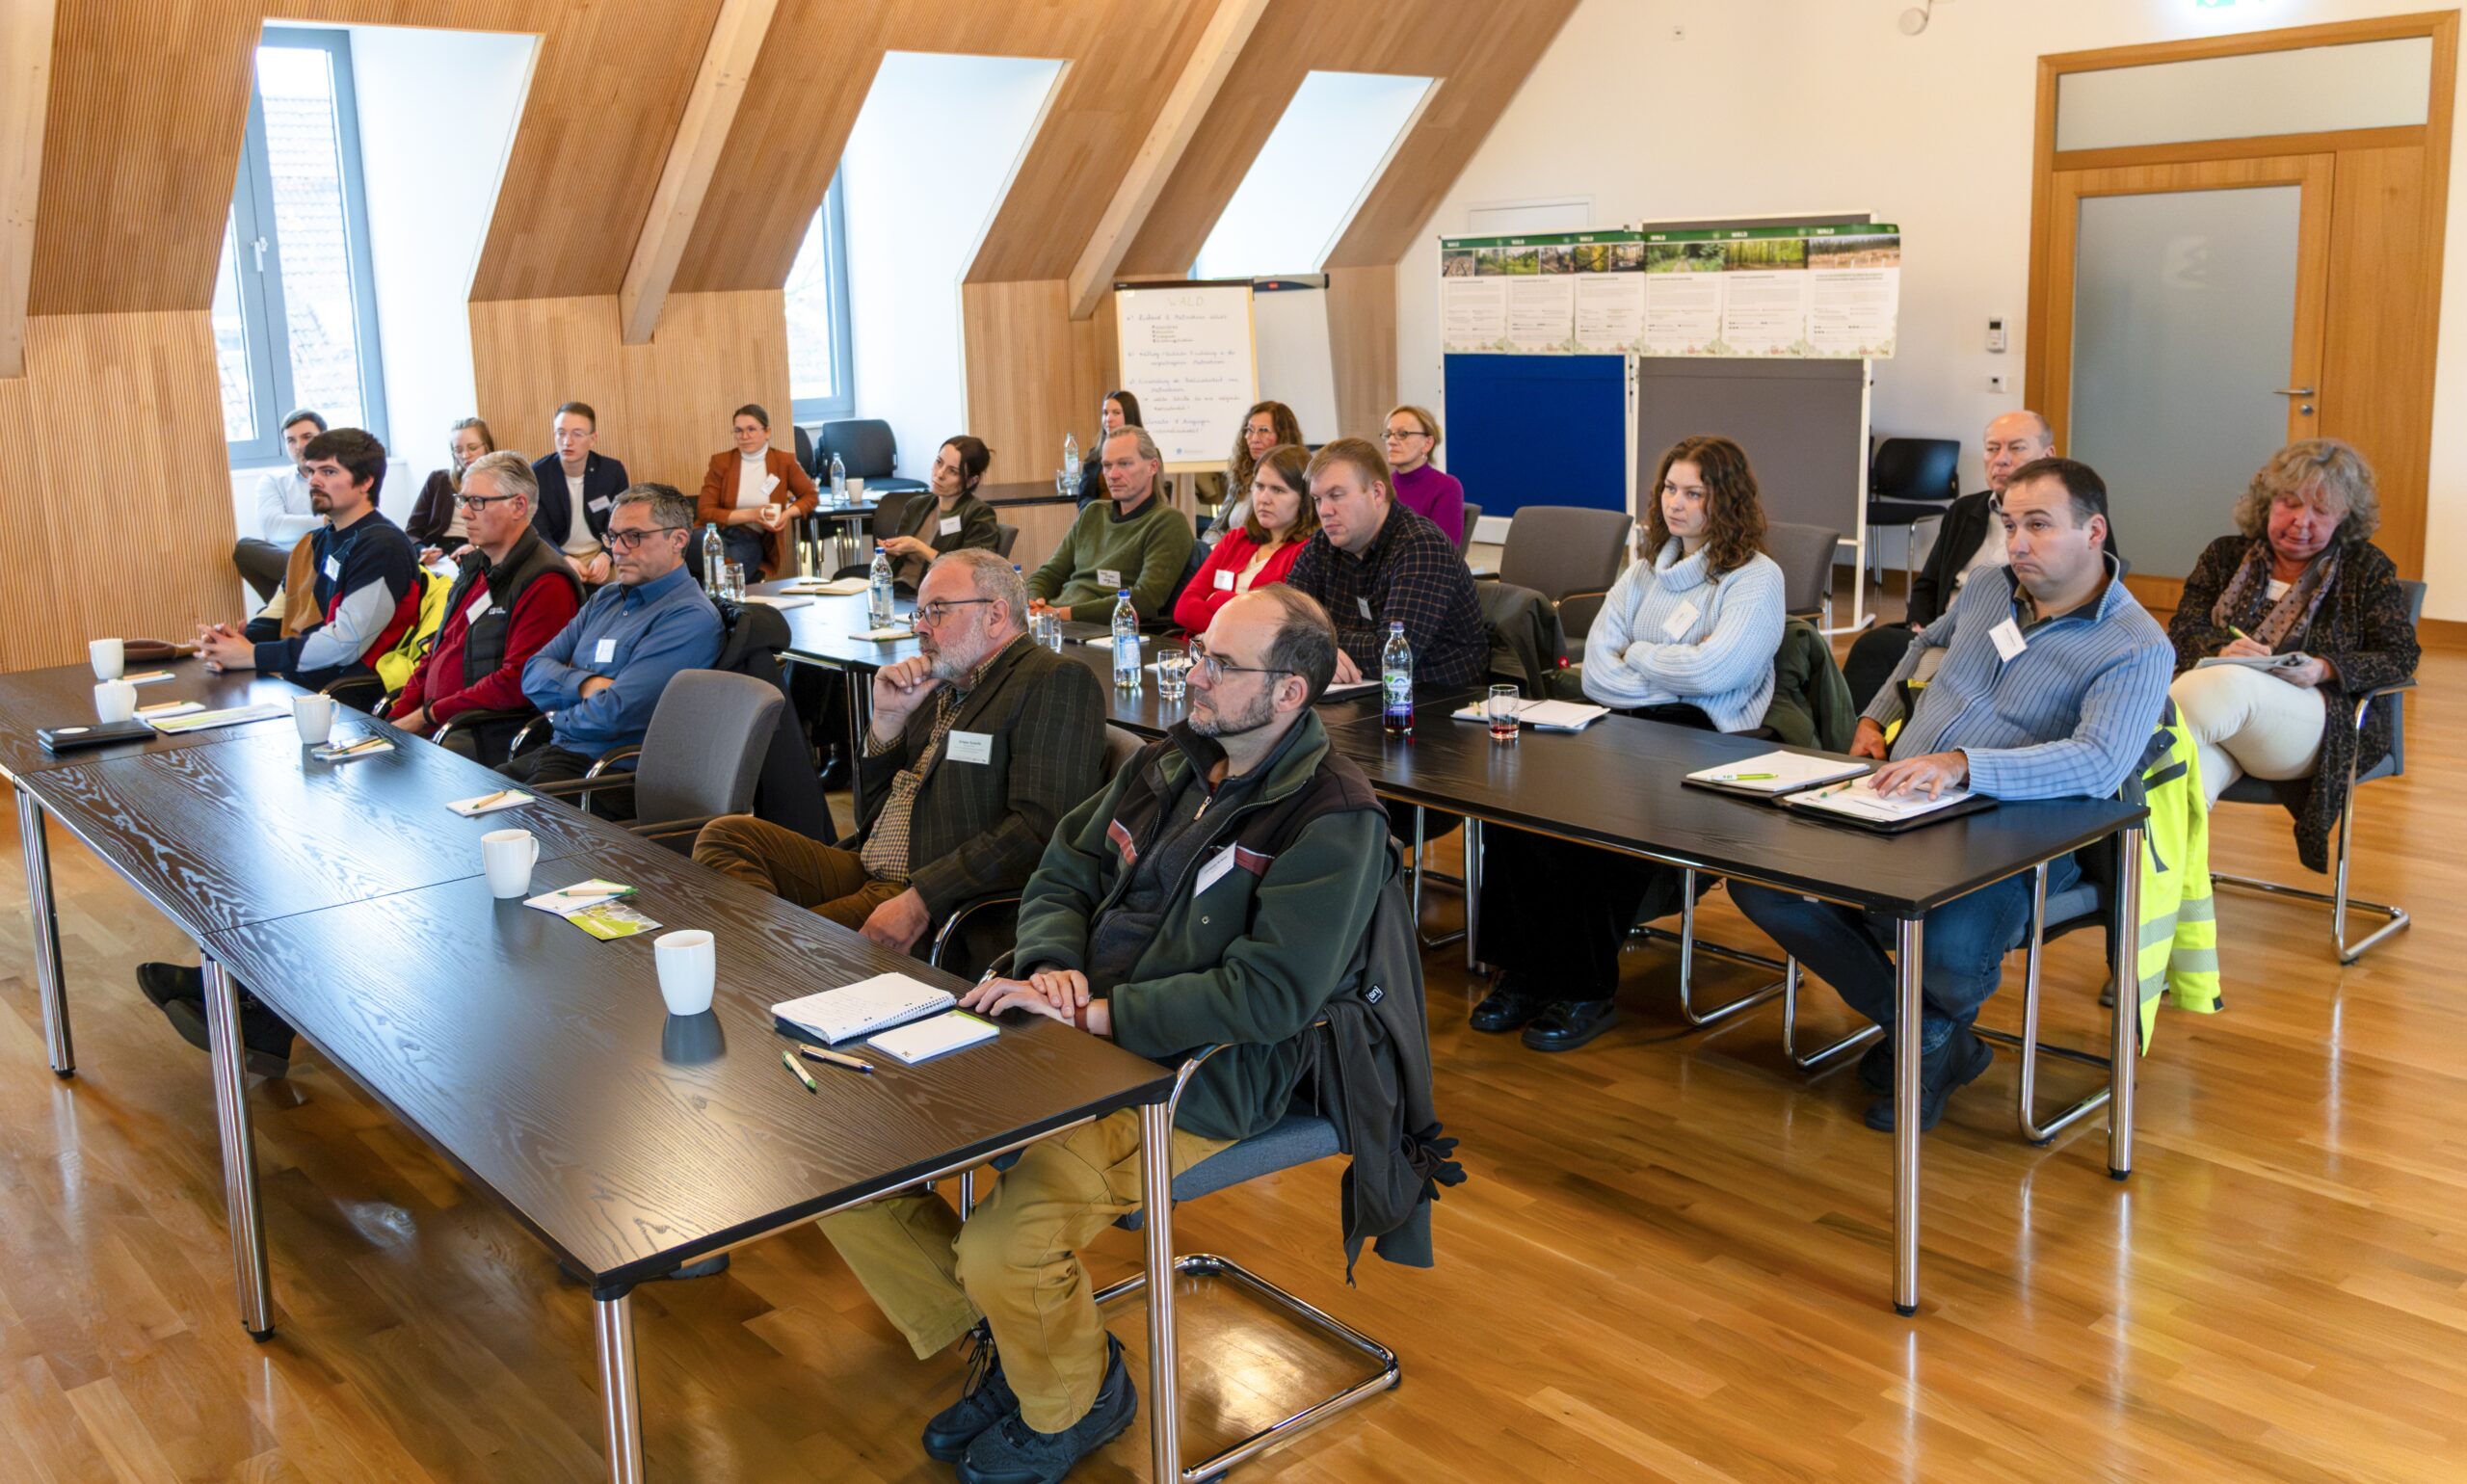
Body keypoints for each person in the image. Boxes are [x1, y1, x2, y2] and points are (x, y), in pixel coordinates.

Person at [819, 585, 1387, 1484]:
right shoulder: (1171, 760)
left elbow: (1269, 996)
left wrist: (1093, 1013)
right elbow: (1064, 865)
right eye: (1200, 651)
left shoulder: (1331, 818)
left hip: (1191, 1075)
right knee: (848, 1154)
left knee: (1010, 1245)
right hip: (1063, 1024)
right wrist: (1050, 962)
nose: (1193, 673)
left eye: (1220, 664)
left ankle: (1075, 1399)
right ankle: (1021, 1345)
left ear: (1288, 695)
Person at [1731, 458, 2171, 1132]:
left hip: (2018, 837)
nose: (2017, 542)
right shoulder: (1992, 587)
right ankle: (1934, 1038)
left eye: (2039, 525)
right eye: (2010, 522)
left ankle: (1921, 1035)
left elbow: (2098, 761)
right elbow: (1921, 646)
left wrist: (1965, 764)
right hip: (1902, 797)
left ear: (2093, 531)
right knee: (1762, 881)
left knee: (1950, 955)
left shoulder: (2136, 644)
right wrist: (1874, 717)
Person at [1470, 435, 1789, 1051]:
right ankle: (1524, 975)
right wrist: (1657, 665)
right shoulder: (1645, 568)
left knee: (1598, 828)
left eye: (1694, 492)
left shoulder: (1754, 577)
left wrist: (1636, 657)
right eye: (1671, 488)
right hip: (1624, 720)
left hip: (1708, 735)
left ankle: (1586, 989)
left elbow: (1715, 675)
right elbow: (1595, 671)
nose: (1677, 503)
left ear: (1726, 500)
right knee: (1519, 808)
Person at [694, 551, 1104, 950]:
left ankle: (766, 951)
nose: (920, 628)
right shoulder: (940, 684)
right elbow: (868, 818)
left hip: (930, 891)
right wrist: (887, 723)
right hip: (868, 866)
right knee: (727, 835)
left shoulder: (1052, 679)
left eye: (937, 611)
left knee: (790, 941)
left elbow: (1040, 829)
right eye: (920, 613)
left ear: (995, 616)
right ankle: (762, 949)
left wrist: (923, 897)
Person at [2166, 438, 2420, 870]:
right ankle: (2175, 908)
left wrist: (2324, 668)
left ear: (2344, 519)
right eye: (2290, 504)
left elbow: (2400, 656)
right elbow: (2182, 633)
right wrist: (2222, 648)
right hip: (2224, 723)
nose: (2302, 522)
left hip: (2316, 724)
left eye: (2321, 511)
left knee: (2228, 684)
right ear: (2266, 504)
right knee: (2180, 785)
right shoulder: (2224, 555)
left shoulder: (2366, 568)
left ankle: (2103, 786)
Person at [1843, 411, 2095, 708]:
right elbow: (1929, 583)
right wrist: (1920, 626)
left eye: (2016, 448)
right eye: (1992, 448)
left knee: (1880, 649)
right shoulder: (1965, 511)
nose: (2001, 459)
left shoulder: (2076, 520)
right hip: (1945, 633)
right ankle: (1859, 743)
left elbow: (2086, 600)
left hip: (2014, 646)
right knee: (1874, 647)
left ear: (2048, 455)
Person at [504, 484, 724, 814]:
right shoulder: (606, 598)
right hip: (562, 753)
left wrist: (559, 712)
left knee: (501, 829)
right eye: (612, 536)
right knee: (464, 802)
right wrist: (587, 685)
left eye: (633, 536)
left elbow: (617, 713)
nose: (617, 550)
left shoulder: (689, 617)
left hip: (609, 775)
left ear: (678, 540)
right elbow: (533, 671)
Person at [386, 453, 584, 762]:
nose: (464, 513)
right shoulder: (476, 566)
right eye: (462, 500)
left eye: (477, 501)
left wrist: (426, 715)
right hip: (442, 724)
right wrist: (394, 723)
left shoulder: (547, 581)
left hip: (483, 733)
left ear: (518, 506)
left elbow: (517, 682)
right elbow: (438, 650)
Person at [196, 427, 420, 692]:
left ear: (366, 482)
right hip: (303, 681)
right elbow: (279, 610)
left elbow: (345, 642)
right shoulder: (315, 542)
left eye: (328, 472)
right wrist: (232, 644)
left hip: (349, 693)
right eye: (312, 471)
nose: (314, 481)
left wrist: (252, 655)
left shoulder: (383, 546)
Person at [1286, 437, 1488, 688]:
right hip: (1361, 693)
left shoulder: (1421, 546)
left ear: (1377, 493)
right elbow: (1281, 622)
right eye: (1317, 499)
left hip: (1437, 702)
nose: (1325, 510)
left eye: (1336, 495)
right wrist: (1312, 647)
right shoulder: (1323, 544)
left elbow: (1391, 655)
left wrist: (1318, 645)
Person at [1027, 426, 1194, 623]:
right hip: (1056, 620)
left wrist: (1060, 614)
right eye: (1107, 465)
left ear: (1153, 467)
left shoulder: (1167, 522)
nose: (1113, 475)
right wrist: (1032, 602)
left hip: (1102, 631)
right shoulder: (1093, 512)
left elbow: (1145, 600)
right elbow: (1050, 573)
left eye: (1124, 464)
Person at [1174, 441, 1315, 633]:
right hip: (1199, 653)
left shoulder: (1306, 552)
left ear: (1304, 498)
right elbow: (1183, 609)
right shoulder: (1236, 539)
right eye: (1259, 486)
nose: (1264, 498)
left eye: (1278, 490)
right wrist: (1241, 617)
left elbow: (1269, 629)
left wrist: (1218, 598)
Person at [696, 402, 820, 582]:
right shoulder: (721, 462)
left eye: (751, 429)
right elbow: (705, 511)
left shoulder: (784, 462)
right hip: (716, 532)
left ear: (767, 432)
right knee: (694, 544)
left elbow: (811, 495)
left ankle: (719, 597)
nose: (744, 436)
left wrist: (787, 514)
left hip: (750, 538)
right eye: (738, 431)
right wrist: (752, 514)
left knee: (728, 567)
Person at [878, 435, 1001, 588]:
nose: (940, 474)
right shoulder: (916, 505)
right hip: (896, 591)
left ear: (972, 481)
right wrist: (892, 549)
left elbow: (970, 572)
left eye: (953, 471)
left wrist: (919, 547)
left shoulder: (979, 514)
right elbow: (895, 563)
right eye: (939, 462)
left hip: (937, 599)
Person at [529, 402, 631, 585]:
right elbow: (538, 532)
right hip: (556, 555)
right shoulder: (538, 474)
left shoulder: (611, 472)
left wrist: (606, 555)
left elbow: (625, 522)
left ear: (593, 439)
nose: (567, 442)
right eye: (561, 433)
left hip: (601, 553)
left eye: (577, 434)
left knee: (634, 580)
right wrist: (563, 559)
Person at [231, 409, 327, 602]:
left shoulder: (341, 476)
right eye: (291, 440)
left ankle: (284, 612)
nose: (299, 446)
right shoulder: (274, 481)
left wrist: (296, 525)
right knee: (245, 549)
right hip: (289, 563)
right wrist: (325, 522)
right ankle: (288, 609)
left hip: (329, 561)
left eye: (307, 436)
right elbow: (273, 527)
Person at [1202, 400, 1304, 544]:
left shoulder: (1295, 478)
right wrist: (1215, 547)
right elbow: (1215, 528)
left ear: (1283, 435)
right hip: (1227, 552)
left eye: (1263, 431)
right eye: (1249, 430)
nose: (1254, 439)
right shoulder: (1242, 474)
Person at [405, 416, 496, 552]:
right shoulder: (438, 480)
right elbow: (412, 531)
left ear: (487, 447)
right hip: (440, 551)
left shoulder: (501, 483)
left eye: (472, 448)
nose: (465, 455)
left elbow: (509, 533)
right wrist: (421, 550)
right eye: (458, 450)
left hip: (478, 550)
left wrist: (476, 548)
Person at [1383, 404, 1466, 546]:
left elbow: (1443, 551)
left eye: (1403, 434)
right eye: (1388, 434)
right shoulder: (1381, 486)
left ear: (1427, 443)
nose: (1390, 441)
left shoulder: (1446, 487)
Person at [1074, 388, 1142, 506]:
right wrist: (1096, 515)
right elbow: (1084, 498)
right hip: (1100, 520)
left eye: (1116, 413)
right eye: (1105, 413)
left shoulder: (1147, 454)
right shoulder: (1094, 455)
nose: (1108, 419)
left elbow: (1155, 497)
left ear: (1129, 416)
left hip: (1136, 521)